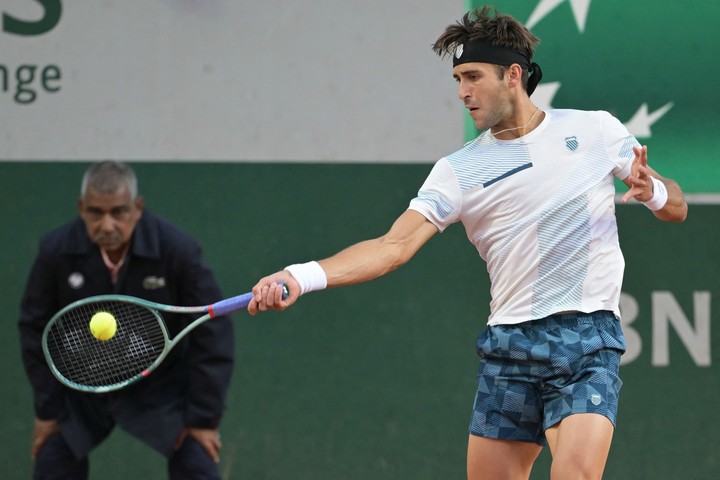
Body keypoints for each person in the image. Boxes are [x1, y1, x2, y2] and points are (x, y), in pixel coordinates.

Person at [247, 6, 688, 480]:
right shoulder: (458, 171)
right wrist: (301, 276)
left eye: (473, 76)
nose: (463, 92)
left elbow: (675, 206)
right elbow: (394, 246)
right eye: (458, 79)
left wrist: (653, 191)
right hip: (509, 345)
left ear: (513, 75)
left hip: (586, 339)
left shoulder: (595, 131)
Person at [19, 161, 234, 480]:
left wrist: (203, 419)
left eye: (118, 212)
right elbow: (34, 329)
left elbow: (213, 333)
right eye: (95, 212)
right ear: (81, 209)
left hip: (162, 387)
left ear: (138, 208)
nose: (107, 225)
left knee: (197, 462)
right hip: (81, 389)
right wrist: (48, 412)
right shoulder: (55, 251)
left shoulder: (178, 251)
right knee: (53, 460)